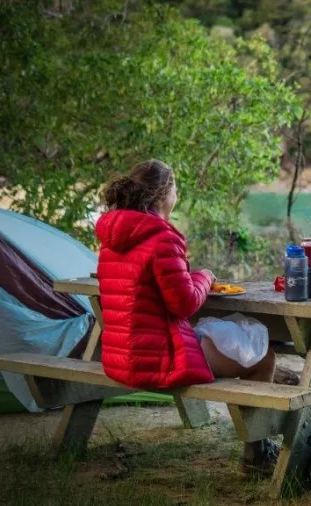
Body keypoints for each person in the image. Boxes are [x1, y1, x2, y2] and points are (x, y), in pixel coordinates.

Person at [95, 159, 279, 475]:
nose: (177, 195)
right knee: (264, 358)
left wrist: (186, 274)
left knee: (224, 336)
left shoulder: (112, 241)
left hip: (120, 357)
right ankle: (255, 454)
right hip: (159, 359)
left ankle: (257, 449)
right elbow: (186, 303)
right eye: (176, 189)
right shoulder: (162, 238)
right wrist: (204, 276)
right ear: (164, 195)